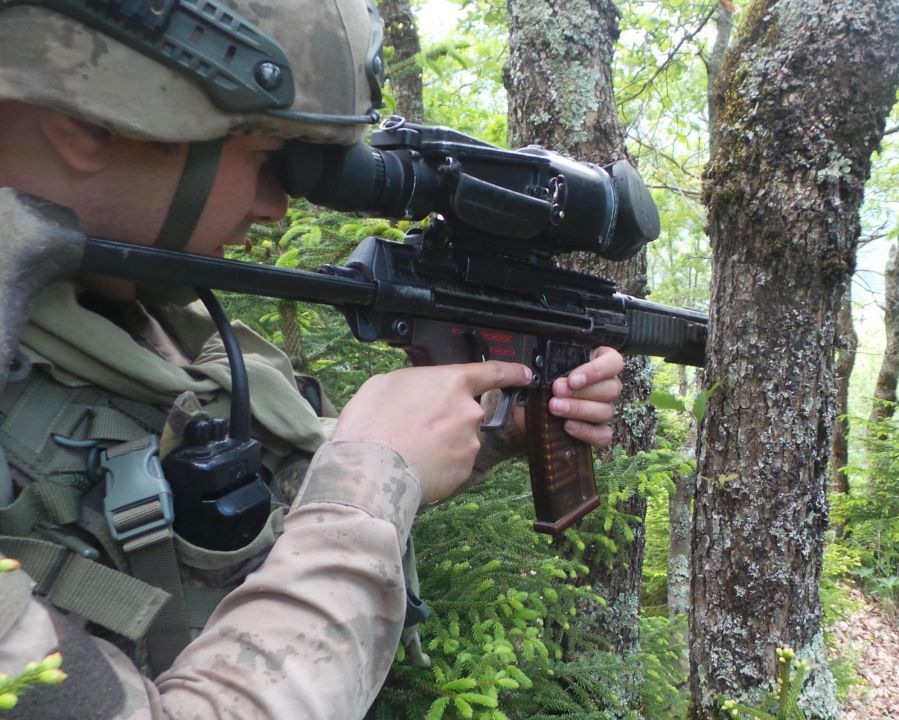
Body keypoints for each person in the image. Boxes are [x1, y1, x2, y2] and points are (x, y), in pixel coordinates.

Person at [0, 1, 624, 717]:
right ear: (90, 118)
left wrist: (486, 431)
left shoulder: (131, 314)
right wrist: (367, 486)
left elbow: (274, 500)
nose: (278, 208)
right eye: (269, 158)